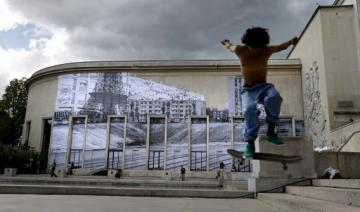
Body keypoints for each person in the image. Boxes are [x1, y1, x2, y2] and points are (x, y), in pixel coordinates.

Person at [221, 27, 298, 158]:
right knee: (249, 110)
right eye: (253, 47)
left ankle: (271, 133)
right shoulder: (241, 50)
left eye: (258, 48)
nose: (255, 50)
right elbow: (231, 47)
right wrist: (227, 43)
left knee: (274, 97)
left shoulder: (266, 50)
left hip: (264, 87)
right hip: (249, 90)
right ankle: (250, 144)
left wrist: (291, 41)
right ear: (248, 44)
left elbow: (280, 47)